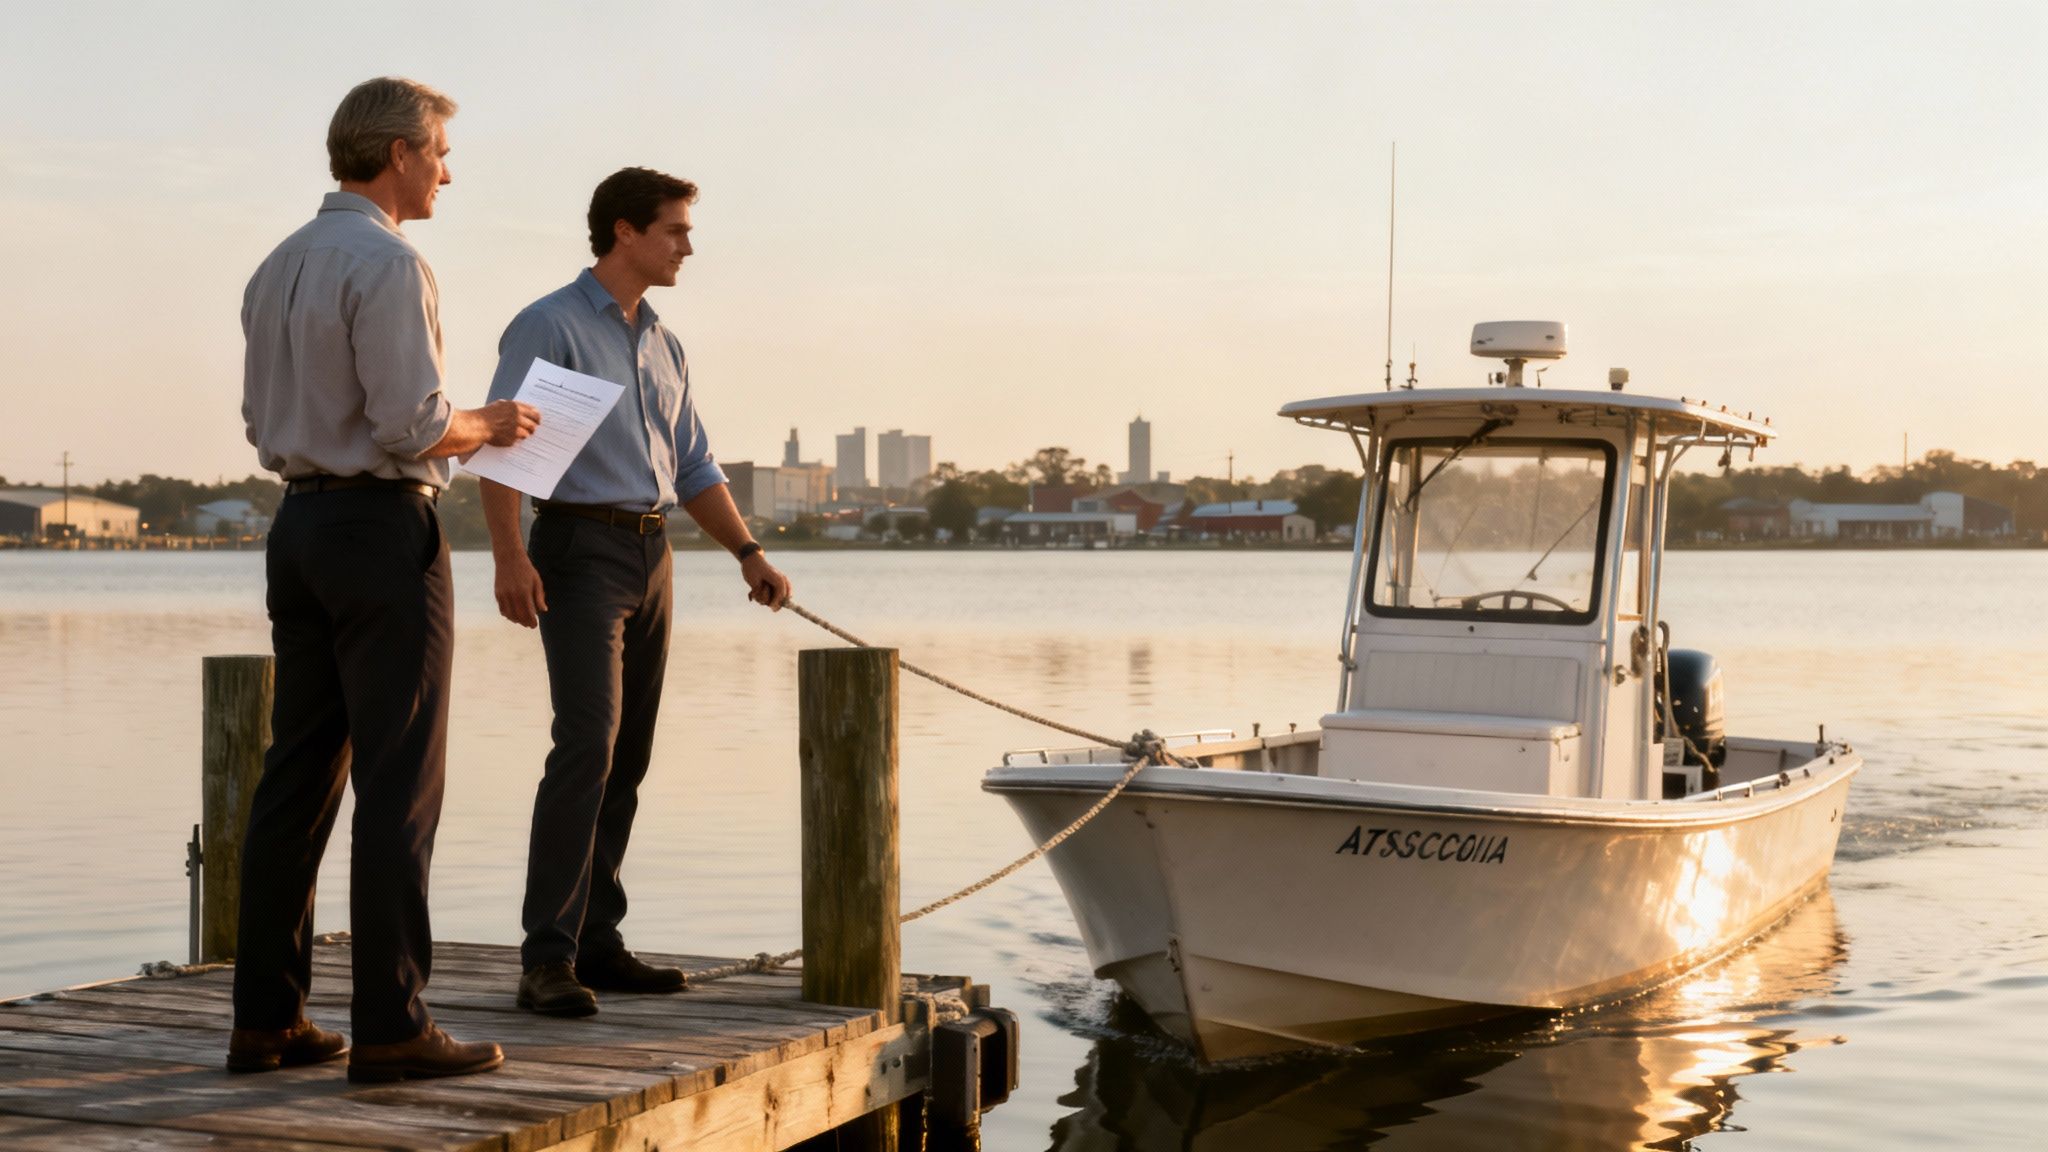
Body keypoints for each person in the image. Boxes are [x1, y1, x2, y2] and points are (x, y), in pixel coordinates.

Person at [231, 77, 538, 1082]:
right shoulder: (391, 263)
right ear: (399, 153)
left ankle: (266, 1022)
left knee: (296, 780)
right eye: (441, 153)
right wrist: (489, 423)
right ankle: (392, 1026)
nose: (448, 171)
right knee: (398, 783)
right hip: (378, 529)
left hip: (300, 528)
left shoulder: (276, 265)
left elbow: (256, 419)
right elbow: (413, 424)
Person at [478, 166, 792, 1017]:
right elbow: (502, 448)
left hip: (655, 555)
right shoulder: (549, 324)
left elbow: (693, 466)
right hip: (577, 549)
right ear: (625, 231)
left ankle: (596, 941)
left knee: (630, 753)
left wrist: (747, 551)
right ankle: (546, 958)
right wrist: (510, 557)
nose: (688, 246)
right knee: (586, 745)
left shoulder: (664, 342)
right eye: (676, 230)